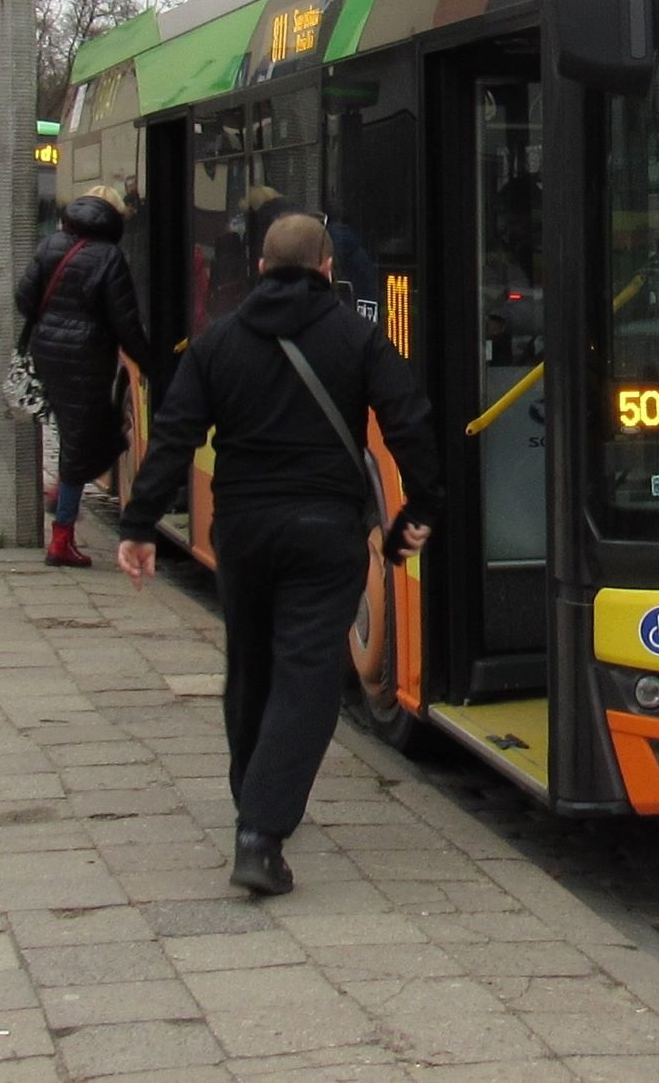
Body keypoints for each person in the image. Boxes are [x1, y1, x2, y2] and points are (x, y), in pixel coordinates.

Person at [118, 212, 440, 897]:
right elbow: (409, 420)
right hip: (325, 531)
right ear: (328, 268)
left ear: (261, 268)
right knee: (309, 674)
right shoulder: (359, 337)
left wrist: (141, 521)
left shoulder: (218, 341)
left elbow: (174, 431)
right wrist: (420, 511)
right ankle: (261, 833)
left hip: (242, 528)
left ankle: (255, 791)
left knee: (252, 662)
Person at [15, 185, 158, 568]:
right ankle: (61, 539)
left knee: (81, 435)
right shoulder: (109, 257)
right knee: (87, 441)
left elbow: (23, 299)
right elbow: (125, 320)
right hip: (86, 356)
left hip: (47, 352)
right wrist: (151, 364)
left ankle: (61, 494)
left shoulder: (50, 245)